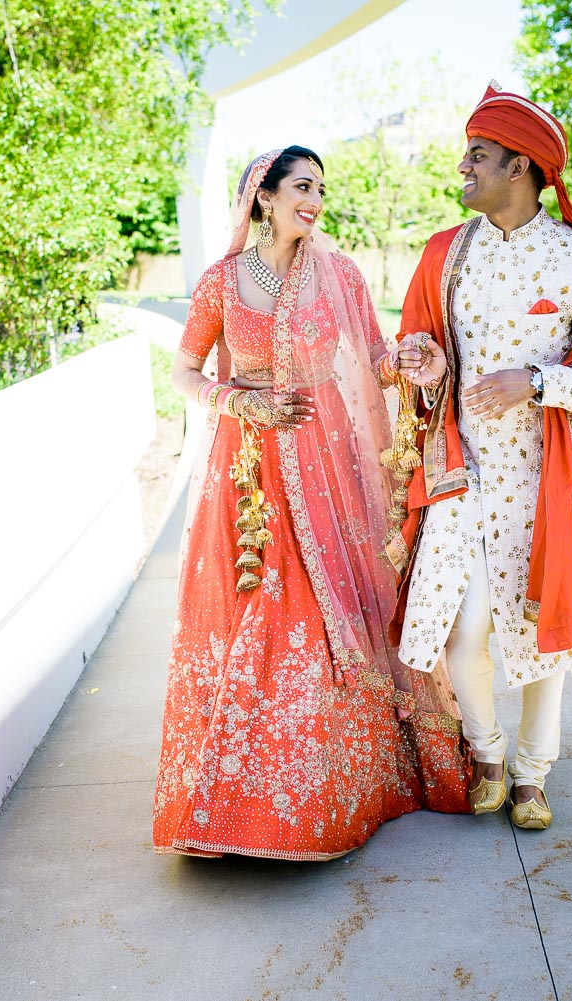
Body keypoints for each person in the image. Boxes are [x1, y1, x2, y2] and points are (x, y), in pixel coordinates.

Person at [153, 147, 473, 860]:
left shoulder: (341, 274)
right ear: (262, 198)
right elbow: (183, 372)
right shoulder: (222, 283)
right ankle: (235, 803)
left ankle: (330, 793)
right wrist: (241, 400)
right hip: (248, 474)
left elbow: (370, 358)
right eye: (302, 187)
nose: (315, 200)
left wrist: (410, 364)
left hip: (328, 465)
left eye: (320, 190)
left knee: (327, 616)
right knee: (263, 609)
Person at [389, 85, 572, 830]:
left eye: (478, 153)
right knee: (462, 624)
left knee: (549, 628)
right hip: (462, 471)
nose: (463, 164)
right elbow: (423, 344)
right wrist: (419, 360)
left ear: (521, 166)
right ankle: (485, 748)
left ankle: (531, 774)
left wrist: (535, 381)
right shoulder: (446, 252)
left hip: (545, 477)